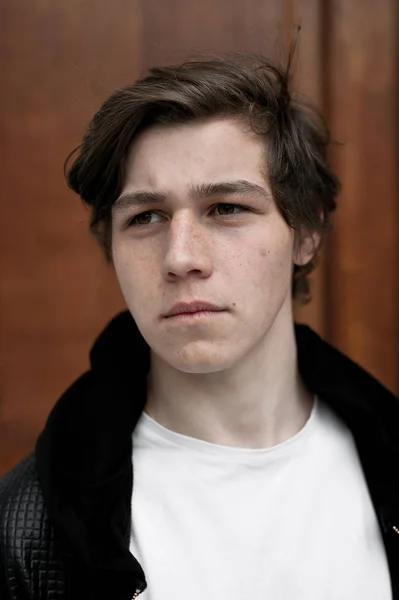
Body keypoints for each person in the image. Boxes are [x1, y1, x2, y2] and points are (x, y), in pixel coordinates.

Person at [0, 50, 398, 600]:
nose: (180, 256)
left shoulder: (391, 464)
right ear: (111, 247)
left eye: (227, 208)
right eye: (145, 218)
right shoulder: (29, 528)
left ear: (304, 234)